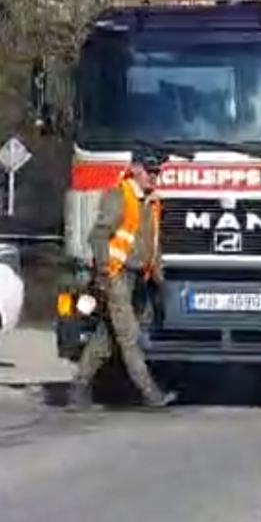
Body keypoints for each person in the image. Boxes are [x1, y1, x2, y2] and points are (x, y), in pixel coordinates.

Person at [68, 151, 177, 410]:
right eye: (149, 171)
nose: (154, 177)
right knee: (129, 336)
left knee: (105, 339)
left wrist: (160, 281)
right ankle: (151, 394)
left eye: (157, 172)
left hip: (136, 278)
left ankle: (77, 391)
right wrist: (105, 271)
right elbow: (97, 236)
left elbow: (153, 245)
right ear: (135, 169)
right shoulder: (120, 196)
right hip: (117, 276)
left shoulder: (151, 201)